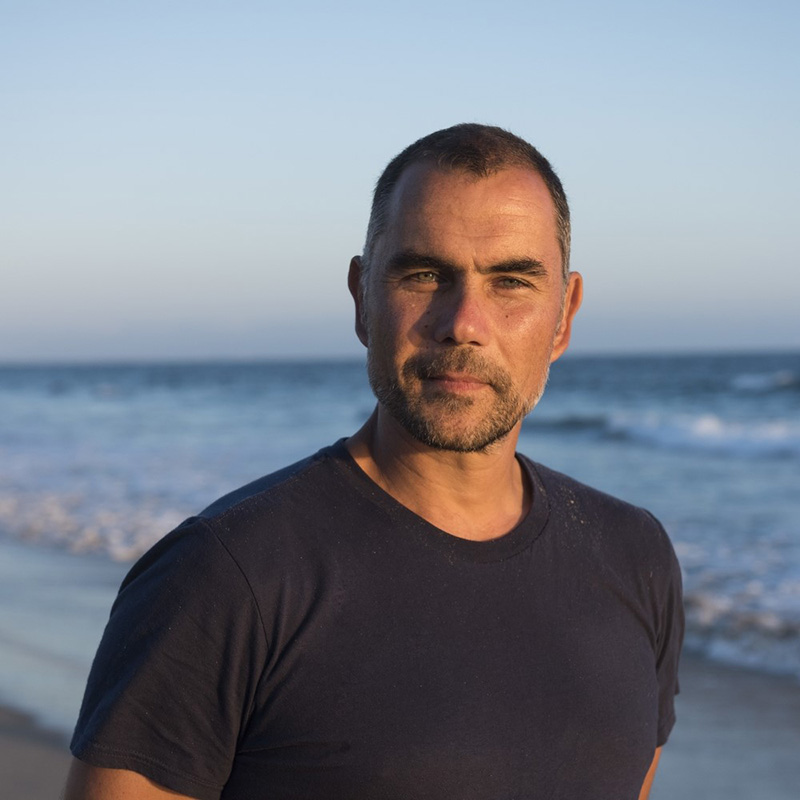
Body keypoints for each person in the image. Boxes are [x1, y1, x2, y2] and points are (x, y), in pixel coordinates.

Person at [64, 123, 683, 800]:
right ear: (362, 298)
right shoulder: (225, 575)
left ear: (564, 316)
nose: (464, 322)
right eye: (424, 274)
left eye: (511, 281)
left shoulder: (635, 556)